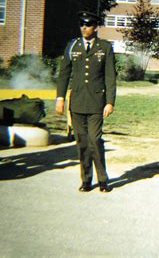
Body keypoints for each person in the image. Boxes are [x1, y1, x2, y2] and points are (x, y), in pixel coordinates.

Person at [56, 10, 117, 192]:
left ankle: (103, 178)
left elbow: (110, 77)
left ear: (96, 27)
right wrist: (60, 97)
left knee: (95, 139)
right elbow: (64, 74)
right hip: (77, 102)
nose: (84, 27)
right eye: (82, 24)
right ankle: (86, 179)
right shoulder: (72, 46)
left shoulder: (104, 47)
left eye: (88, 24)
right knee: (82, 142)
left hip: (97, 102)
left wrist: (110, 102)